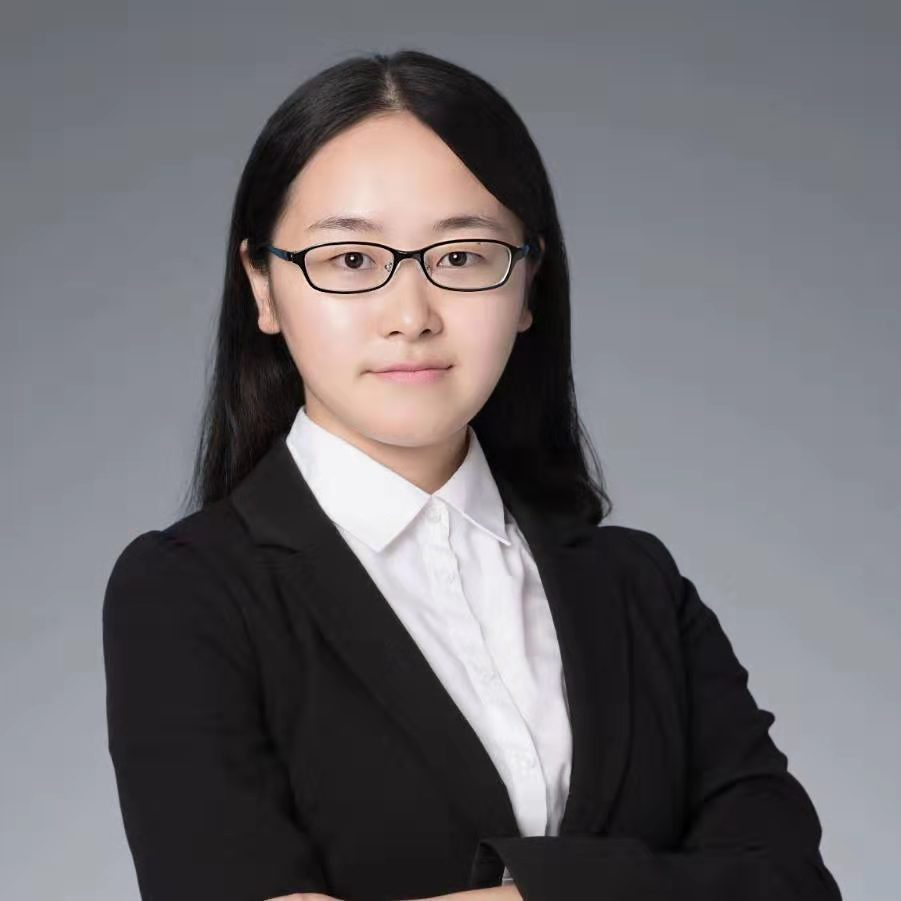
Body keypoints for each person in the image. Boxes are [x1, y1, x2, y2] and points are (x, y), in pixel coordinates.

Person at [101, 48, 842, 901]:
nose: (410, 315)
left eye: (460, 257)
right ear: (263, 286)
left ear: (528, 285)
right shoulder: (188, 592)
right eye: (350, 260)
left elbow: (791, 882)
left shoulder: (636, 586)